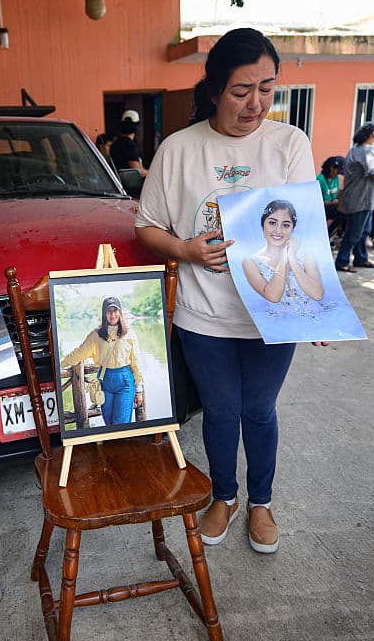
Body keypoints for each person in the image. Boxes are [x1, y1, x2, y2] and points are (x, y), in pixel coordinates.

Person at [135, 28, 327, 556]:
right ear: (216, 87)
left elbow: (303, 232)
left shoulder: (290, 144)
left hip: (273, 312)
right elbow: (146, 227)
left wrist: (315, 310)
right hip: (204, 313)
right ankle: (225, 495)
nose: (256, 103)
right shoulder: (178, 150)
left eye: (267, 88)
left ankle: (261, 502)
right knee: (221, 411)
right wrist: (187, 250)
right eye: (243, 90)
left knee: (259, 410)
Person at [59, 297, 143, 425]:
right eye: (109, 311)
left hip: (124, 380)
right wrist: (60, 365)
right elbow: (79, 352)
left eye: (115, 310)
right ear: (104, 314)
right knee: (108, 422)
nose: (112, 314)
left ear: (120, 312)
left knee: (121, 423)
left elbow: (136, 363)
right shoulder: (96, 335)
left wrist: (139, 389)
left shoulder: (129, 334)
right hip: (104, 380)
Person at [243, 200, 325, 310]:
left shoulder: (306, 255)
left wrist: (292, 258)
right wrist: (283, 259)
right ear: (263, 225)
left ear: (292, 228)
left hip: (315, 316)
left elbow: (317, 295)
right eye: (272, 223)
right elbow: (273, 296)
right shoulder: (250, 262)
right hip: (280, 322)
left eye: (286, 225)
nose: (278, 230)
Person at [335, 122, 374, 272]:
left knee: (364, 231)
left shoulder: (358, 150)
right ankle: (342, 261)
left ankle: (361, 258)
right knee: (354, 232)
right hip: (361, 199)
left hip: (366, 199)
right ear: (373, 134)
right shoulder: (365, 152)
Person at [110, 110, 148, 178]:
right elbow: (136, 171)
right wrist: (151, 172)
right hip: (131, 187)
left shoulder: (115, 144)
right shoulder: (130, 145)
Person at [317, 156, 345, 230]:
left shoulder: (335, 178)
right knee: (340, 211)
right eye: (338, 171)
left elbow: (337, 193)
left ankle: (333, 233)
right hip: (322, 209)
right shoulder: (320, 179)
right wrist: (334, 203)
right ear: (331, 168)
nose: (338, 174)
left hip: (333, 206)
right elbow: (317, 202)